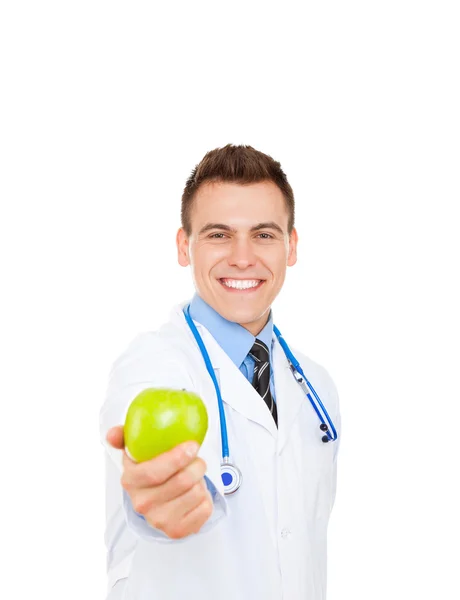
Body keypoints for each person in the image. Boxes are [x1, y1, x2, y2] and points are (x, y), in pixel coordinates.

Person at [100, 144, 341, 600]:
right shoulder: (152, 365)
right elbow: (144, 461)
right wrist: (160, 494)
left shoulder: (316, 387)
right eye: (218, 235)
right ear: (182, 246)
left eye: (264, 235)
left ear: (291, 247)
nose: (243, 257)